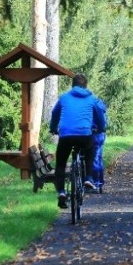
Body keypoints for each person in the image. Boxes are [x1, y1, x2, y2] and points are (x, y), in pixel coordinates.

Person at [50, 73, 107, 209]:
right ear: (85, 85)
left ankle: (62, 193)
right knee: (90, 149)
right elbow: (100, 115)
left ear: (72, 85)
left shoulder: (64, 97)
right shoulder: (91, 98)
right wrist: (101, 128)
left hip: (66, 136)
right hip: (84, 134)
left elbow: (54, 113)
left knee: (61, 164)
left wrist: (53, 128)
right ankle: (88, 178)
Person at [91, 97, 108, 193]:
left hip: (94, 135)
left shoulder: (92, 106)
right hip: (101, 135)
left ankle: (96, 183)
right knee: (98, 158)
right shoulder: (101, 106)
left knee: (94, 159)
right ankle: (100, 183)